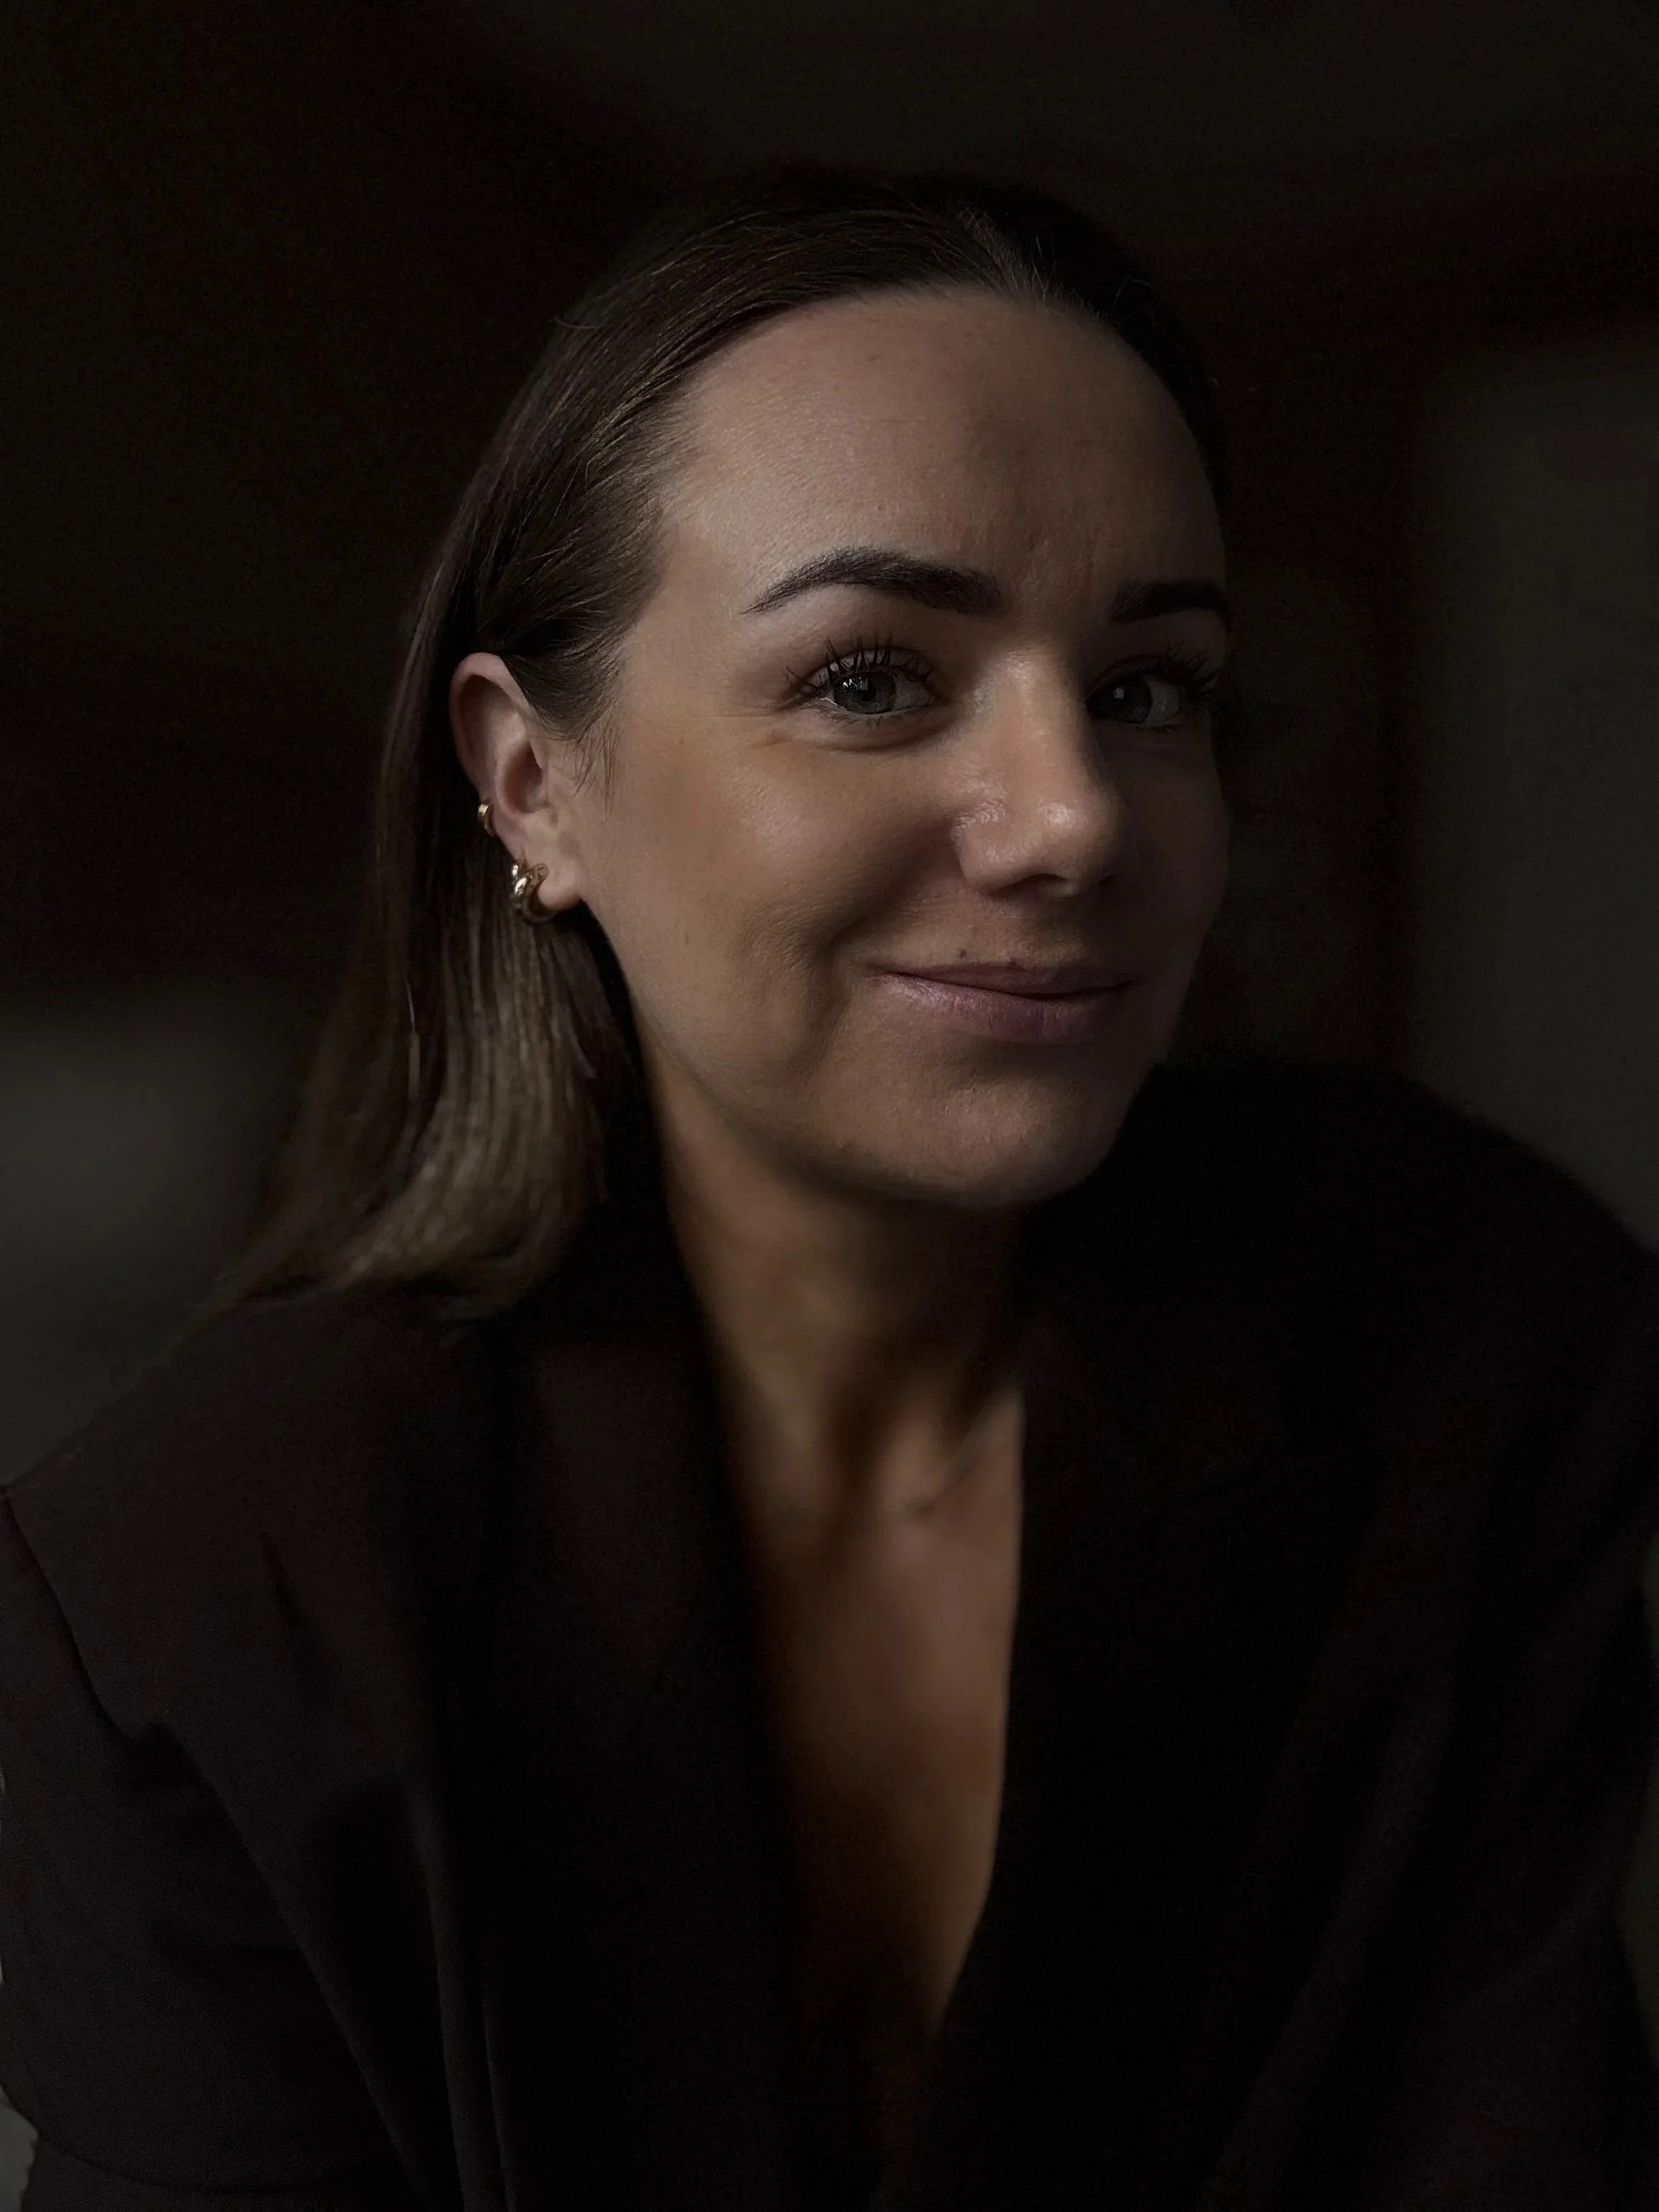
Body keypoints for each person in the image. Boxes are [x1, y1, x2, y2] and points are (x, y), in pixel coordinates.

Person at [1, 164, 1656, 2212]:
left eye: (1148, 689)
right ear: (532, 781)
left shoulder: (1464, 1346)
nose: (1070, 818)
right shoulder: (206, 1575)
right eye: (872, 675)